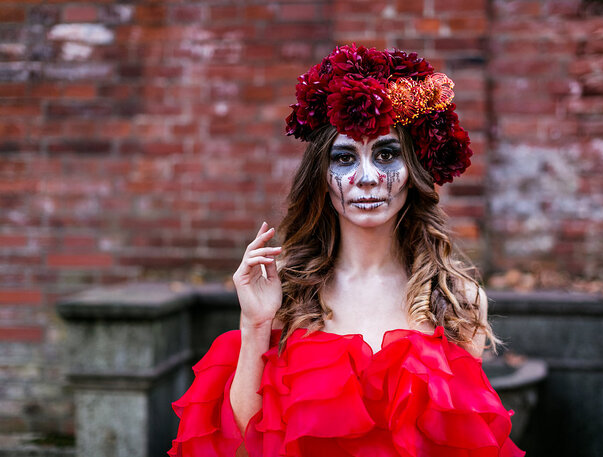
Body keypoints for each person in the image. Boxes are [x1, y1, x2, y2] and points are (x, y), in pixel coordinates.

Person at [169, 44, 525, 457]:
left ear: (413, 174)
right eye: (344, 158)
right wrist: (255, 324)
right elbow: (246, 439)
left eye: (387, 154)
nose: (368, 177)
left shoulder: (457, 300)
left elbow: (465, 445)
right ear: (321, 176)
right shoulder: (285, 291)